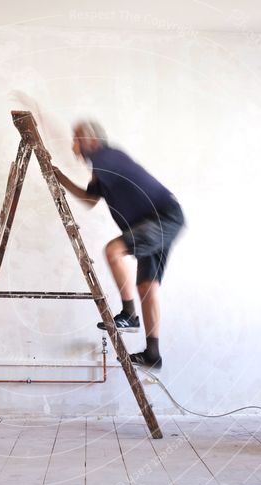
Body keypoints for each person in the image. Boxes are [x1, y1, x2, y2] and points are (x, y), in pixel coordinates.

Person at [53, 120, 185, 370]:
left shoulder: (107, 158)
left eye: (76, 139)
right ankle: (152, 354)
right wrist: (60, 178)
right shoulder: (102, 166)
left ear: (91, 141)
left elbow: (103, 177)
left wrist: (41, 116)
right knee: (147, 286)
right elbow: (90, 198)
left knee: (113, 251)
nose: (73, 144)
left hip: (162, 217)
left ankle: (128, 315)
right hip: (158, 220)